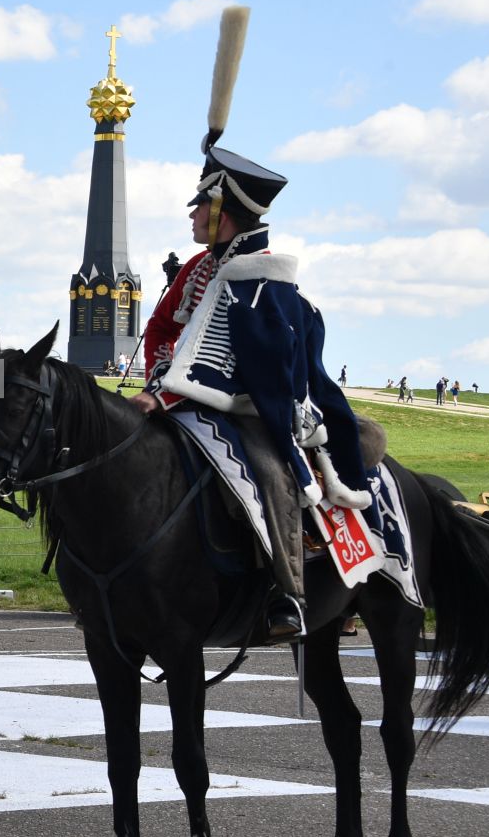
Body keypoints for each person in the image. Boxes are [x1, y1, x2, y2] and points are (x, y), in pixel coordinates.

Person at [135, 125, 368, 643]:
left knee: (267, 469)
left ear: (222, 211)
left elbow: (245, 362)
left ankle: (288, 590)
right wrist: (160, 380)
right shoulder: (198, 268)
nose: (192, 214)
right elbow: (164, 327)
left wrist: (169, 391)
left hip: (251, 406)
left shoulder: (262, 279)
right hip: (180, 397)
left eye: (201, 206)